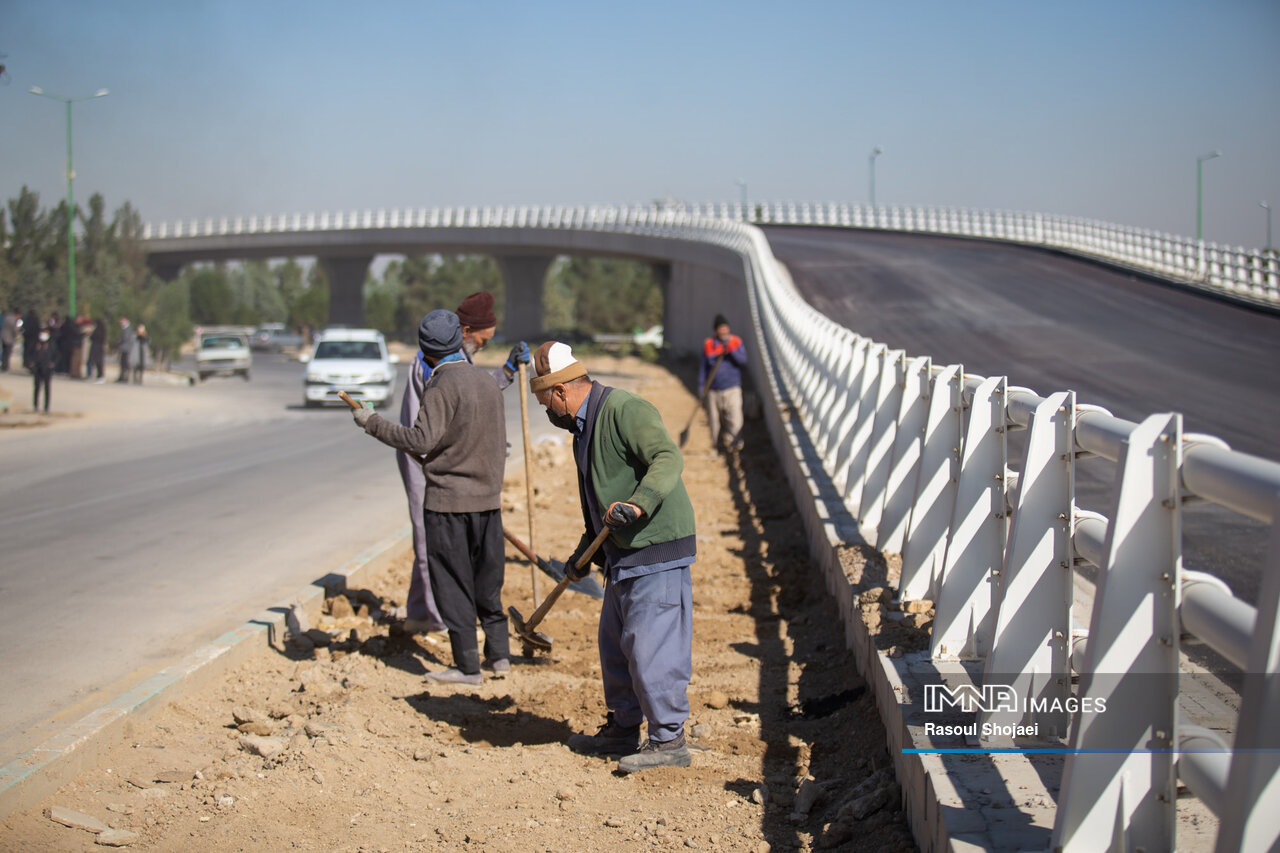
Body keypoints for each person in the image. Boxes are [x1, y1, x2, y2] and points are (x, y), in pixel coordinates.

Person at [530, 341, 697, 773]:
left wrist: (639, 504)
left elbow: (667, 457)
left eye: (545, 401)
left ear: (562, 391)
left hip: (655, 549)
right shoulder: (582, 430)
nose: (547, 411)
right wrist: (584, 555)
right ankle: (624, 728)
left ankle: (669, 740)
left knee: (651, 647)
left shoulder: (625, 409)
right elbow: (600, 504)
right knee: (616, 647)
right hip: (622, 554)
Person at [355, 309, 509, 684]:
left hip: (448, 506)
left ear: (426, 355)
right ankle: (500, 656)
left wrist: (372, 423)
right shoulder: (486, 383)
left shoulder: (441, 387)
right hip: (487, 505)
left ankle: (467, 667)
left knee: (453, 583)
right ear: (460, 341)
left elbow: (421, 440)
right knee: (487, 581)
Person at [396, 291, 530, 641]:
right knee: (432, 541)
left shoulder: (457, 358)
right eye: (482, 342)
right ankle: (441, 622)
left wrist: (507, 371)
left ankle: (418, 614)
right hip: (423, 457)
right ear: (466, 330)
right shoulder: (433, 361)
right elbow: (445, 415)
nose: (482, 348)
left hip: (447, 458)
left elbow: (475, 392)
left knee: (438, 541)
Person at [698, 313, 748, 454]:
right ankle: (716, 446)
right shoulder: (708, 344)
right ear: (716, 330)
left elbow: (743, 361)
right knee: (714, 421)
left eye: (726, 328)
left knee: (735, 418)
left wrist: (731, 351)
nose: (724, 331)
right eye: (721, 329)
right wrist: (701, 387)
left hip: (732, 387)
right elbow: (703, 368)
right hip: (713, 390)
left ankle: (736, 445)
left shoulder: (735, 342)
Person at [31, 328, 56, 413]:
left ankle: (46, 408)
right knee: (37, 388)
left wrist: (52, 363)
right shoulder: (36, 343)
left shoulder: (52, 344)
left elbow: (57, 355)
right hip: (38, 368)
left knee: (47, 388)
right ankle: (35, 406)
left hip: (47, 369)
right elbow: (30, 353)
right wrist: (32, 363)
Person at [116, 317, 135, 383]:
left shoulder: (128, 329)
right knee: (123, 363)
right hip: (125, 348)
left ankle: (124, 377)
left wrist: (120, 340)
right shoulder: (126, 328)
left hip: (126, 348)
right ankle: (122, 376)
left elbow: (126, 338)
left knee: (125, 363)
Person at [87, 317, 106, 383]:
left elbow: (91, 338)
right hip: (99, 348)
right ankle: (99, 376)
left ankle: (99, 376)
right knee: (98, 362)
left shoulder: (97, 330)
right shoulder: (102, 330)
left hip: (96, 348)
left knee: (97, 362)